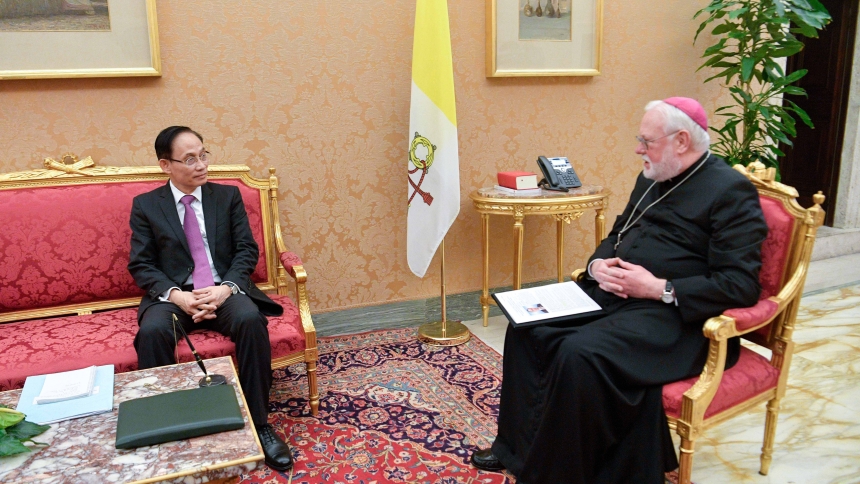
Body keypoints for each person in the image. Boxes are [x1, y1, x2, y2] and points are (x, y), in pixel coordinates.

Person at [470, 98, 769, 483]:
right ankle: (513, 449)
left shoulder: (731, 191)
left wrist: (661, 288)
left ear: (681, 141)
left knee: (579, 354)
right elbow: (617, 233)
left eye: (646, 141)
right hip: (614, 294)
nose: (638, 150)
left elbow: (741, 285)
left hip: (675, 317)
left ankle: (557, 473)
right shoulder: (651, 176)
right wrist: (597, 266)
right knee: (528, 326)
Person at [128, 126, 293, 472]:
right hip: (175, 297)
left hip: (223, 289)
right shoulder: (146, 206)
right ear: (165, 165)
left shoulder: (226, 197)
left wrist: (225, 288)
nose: (201, 165)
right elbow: (142, 264)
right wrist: (177, 296)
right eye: (189, 159)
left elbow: (247, 250)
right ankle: (163, 427)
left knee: (250, 320)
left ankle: (260, 423)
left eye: (204, 155)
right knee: (152, 333)